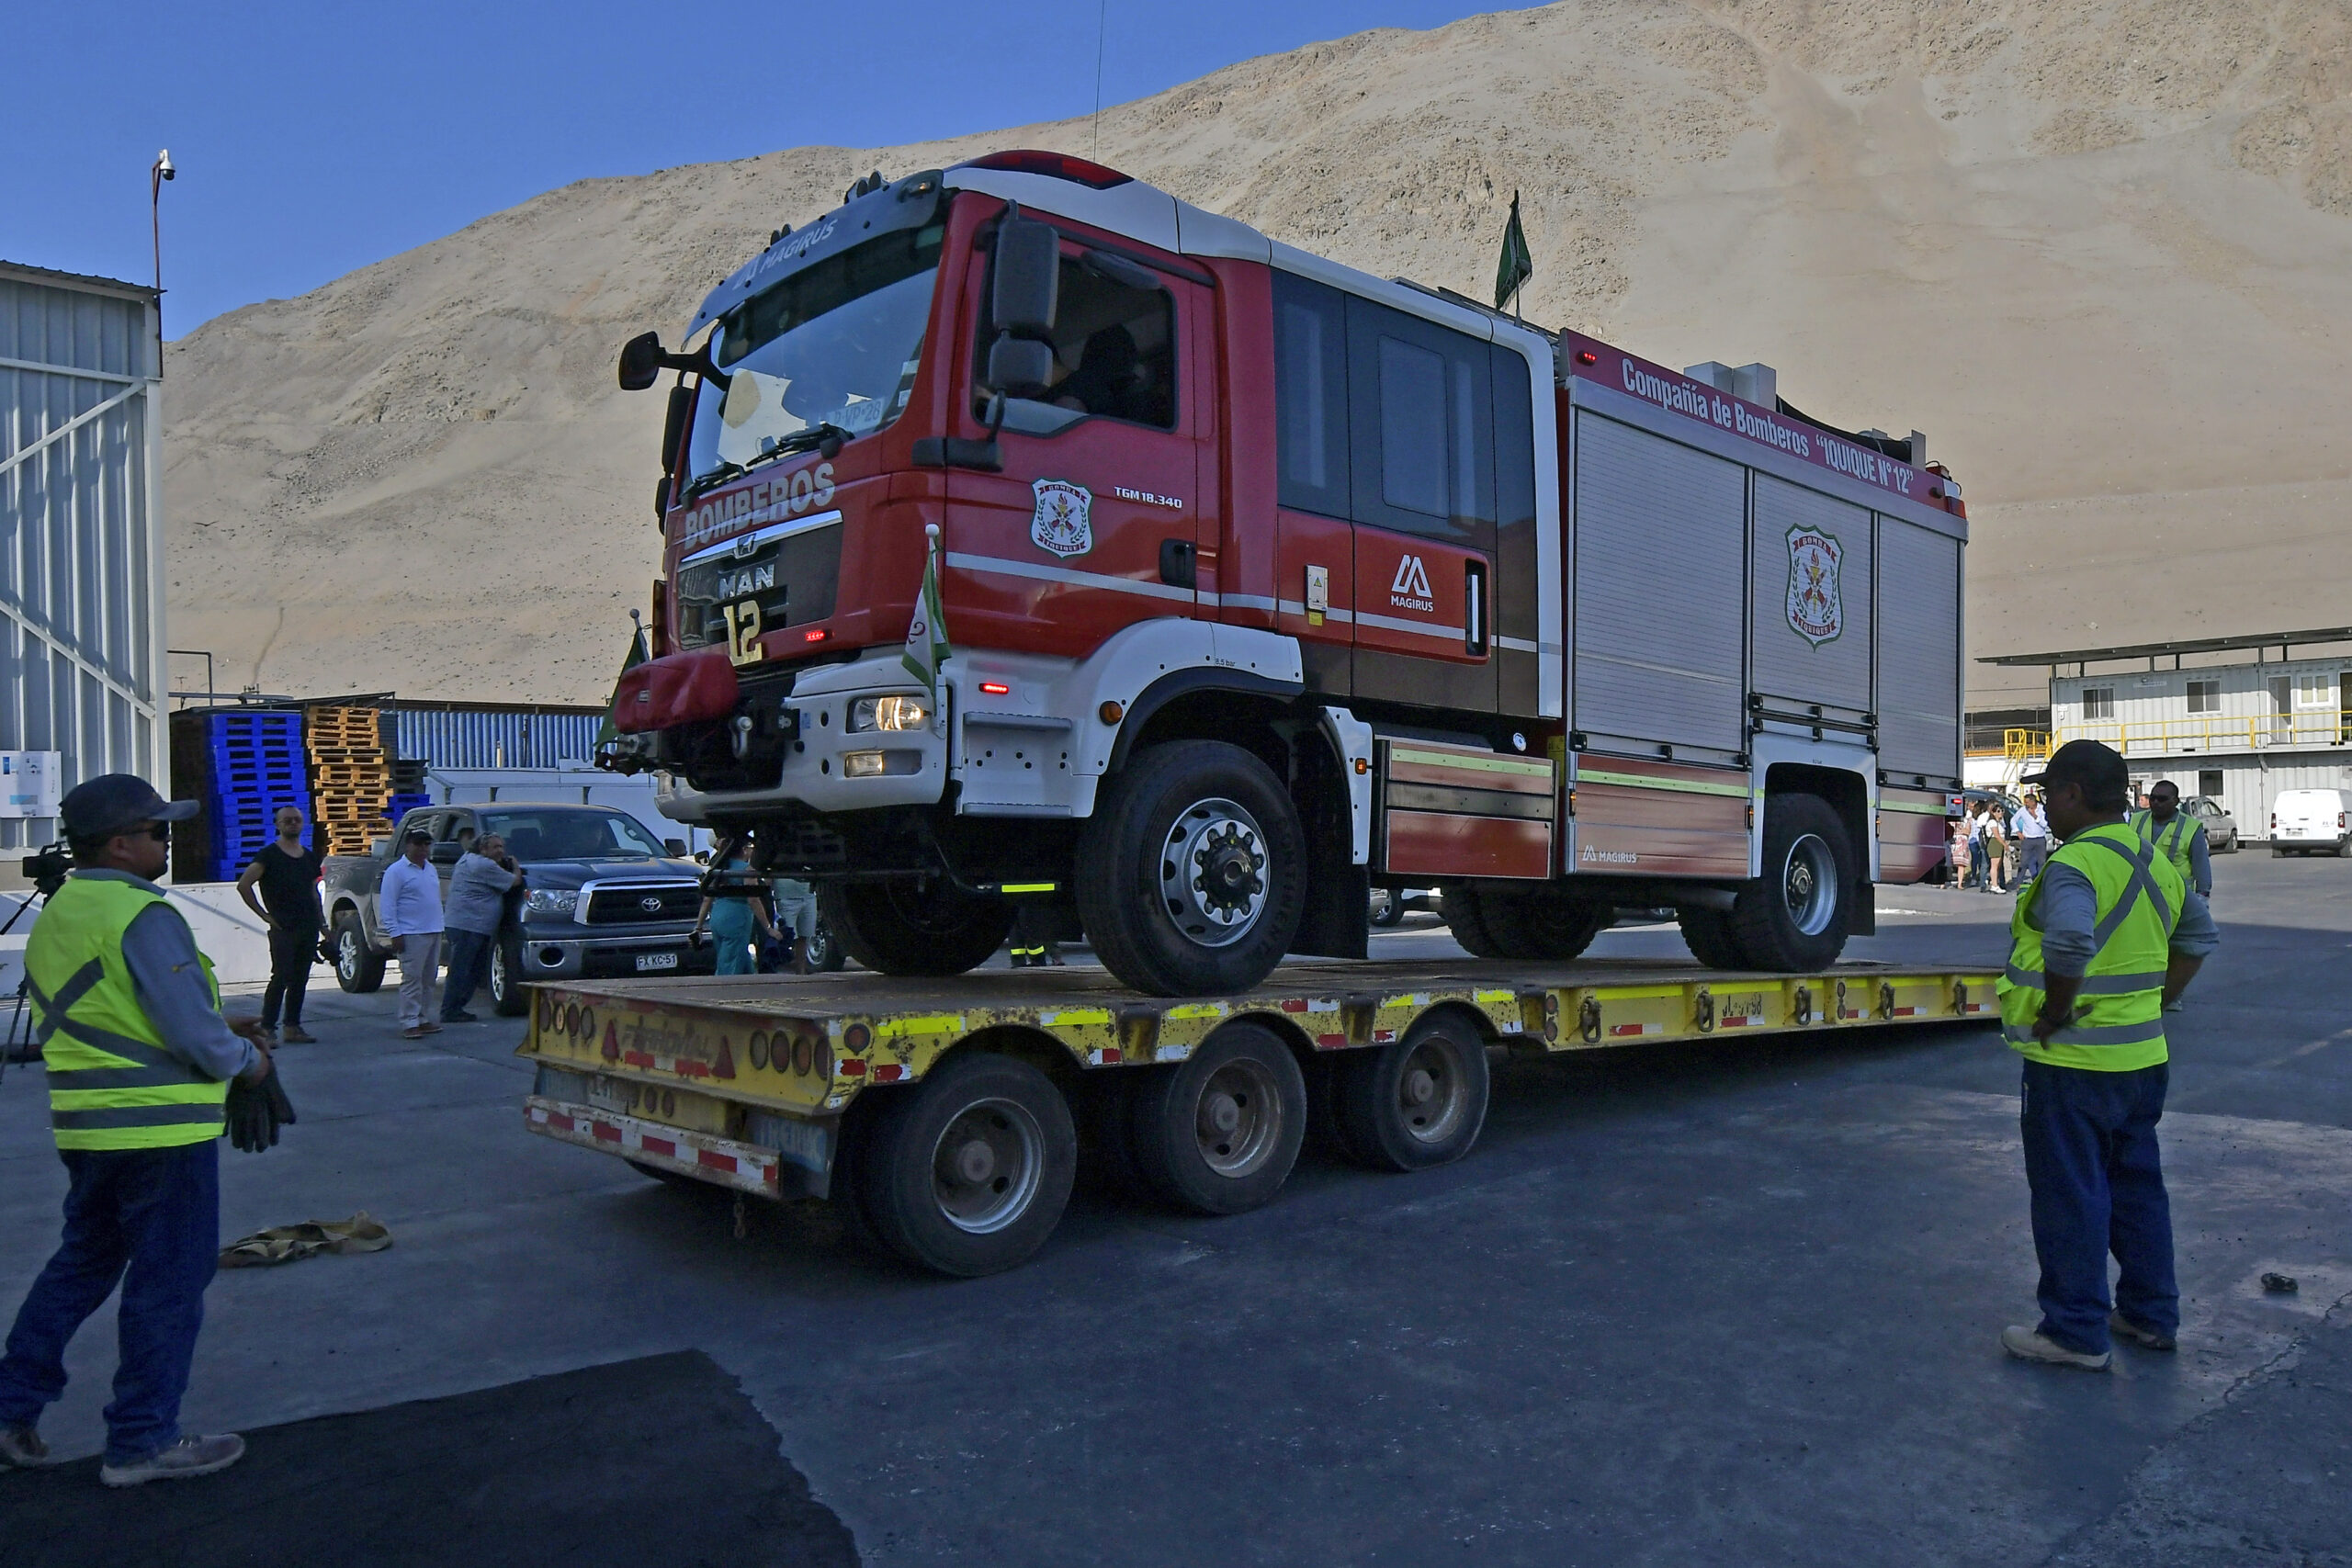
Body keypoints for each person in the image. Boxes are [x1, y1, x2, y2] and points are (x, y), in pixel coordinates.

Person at [0, 773, 272, 1485]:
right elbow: (197, 1039)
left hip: (89, 1130)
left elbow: (118, 1013)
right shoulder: (141, 914)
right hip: (160, 1133)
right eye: (158, 830)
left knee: (82, 1263)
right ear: (120, 845)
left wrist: (216, 1025)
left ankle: (10, 1405)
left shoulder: (64, 909)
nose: (167, 839)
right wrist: (246, 1060)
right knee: (169, 1282)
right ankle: (142, 1441)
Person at [1995, 740, 2219, 1371]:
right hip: (2143, 1061)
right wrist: (2158, 999)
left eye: (2046, 792)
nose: (2042, 803)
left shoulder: (2076, 863)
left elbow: (2068, 939)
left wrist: (2055, 1011)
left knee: (2070, 1194)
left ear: (2070, 793)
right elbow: (2200, 935)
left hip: (2074, 1066)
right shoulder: (2152, 859)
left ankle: (2073, 1331)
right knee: (2137, 1188)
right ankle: (2149, 1315)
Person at [234, 805, 323, 1044]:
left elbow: (314, 893)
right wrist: (264, 915)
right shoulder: (268, 856)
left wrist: (323, 925)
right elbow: (244, 885)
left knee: (300, 978)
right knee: (281, 976)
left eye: (297, 820)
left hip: (308, 926)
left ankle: (292, 1027)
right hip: (283, 927)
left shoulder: (309, 857)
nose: (293, 823)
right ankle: (267, 1029)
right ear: (277, 825)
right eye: (287, 820)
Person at [441, 833, 522, 1023]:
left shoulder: (468, 859)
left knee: (470, 969)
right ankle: (450, 1010)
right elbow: (514, 882)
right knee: (463, 970)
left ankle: (455, 1008)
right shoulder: (483, 865)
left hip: (466, 924)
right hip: (469, 925)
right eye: (495, 847)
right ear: (482, 849)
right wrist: (516, 865)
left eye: (502, 846)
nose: (501, 851)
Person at [379, 827, 445, 1038]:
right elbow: (388, 905)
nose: (423, 849)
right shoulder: (396, 871)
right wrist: (394, 933)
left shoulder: (430, 869)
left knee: (428, 979)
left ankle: (422, 1018)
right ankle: (409, 1021)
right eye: (418, 844)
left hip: (433, 929)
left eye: (426, 844)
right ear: (408, 845)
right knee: (412, 979)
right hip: (411, 933)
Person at [692, 852, 776, 976]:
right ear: (744, 849)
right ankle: (725, 991)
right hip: (738, 917)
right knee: (731, 964)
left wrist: (699, 927)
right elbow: (753, 899)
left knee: (732, 956)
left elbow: (707, 899)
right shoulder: (747, 869)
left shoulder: (718, 867)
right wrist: (768, 927)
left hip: (718, 914)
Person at [2015, 791, 2052, 883]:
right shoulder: (2023, 810)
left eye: (2027, 802)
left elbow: (2046, 824)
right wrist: (2017, 831)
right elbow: (2013, 820)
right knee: (2024, 862)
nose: (2025, 804)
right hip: (2028, 839)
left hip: (2040, 838)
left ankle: (2039, 881)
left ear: (2033, 802)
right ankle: (2019, 882)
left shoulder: (2042, 809)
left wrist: (2035, 816)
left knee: (2041, 862)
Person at [1979, 802, 2009, 894]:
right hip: (1994, 843)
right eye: (1998, 811)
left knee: (1998, 864)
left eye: (2002, 811)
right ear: (1993, 812)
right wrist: (2005, 845)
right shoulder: (1992, 822)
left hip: (1998, 843)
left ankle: (1995, 882)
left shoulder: (2000, 822)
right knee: (1994, 865)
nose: (2000, 813)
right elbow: (1996, 835)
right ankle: (1994, 885)